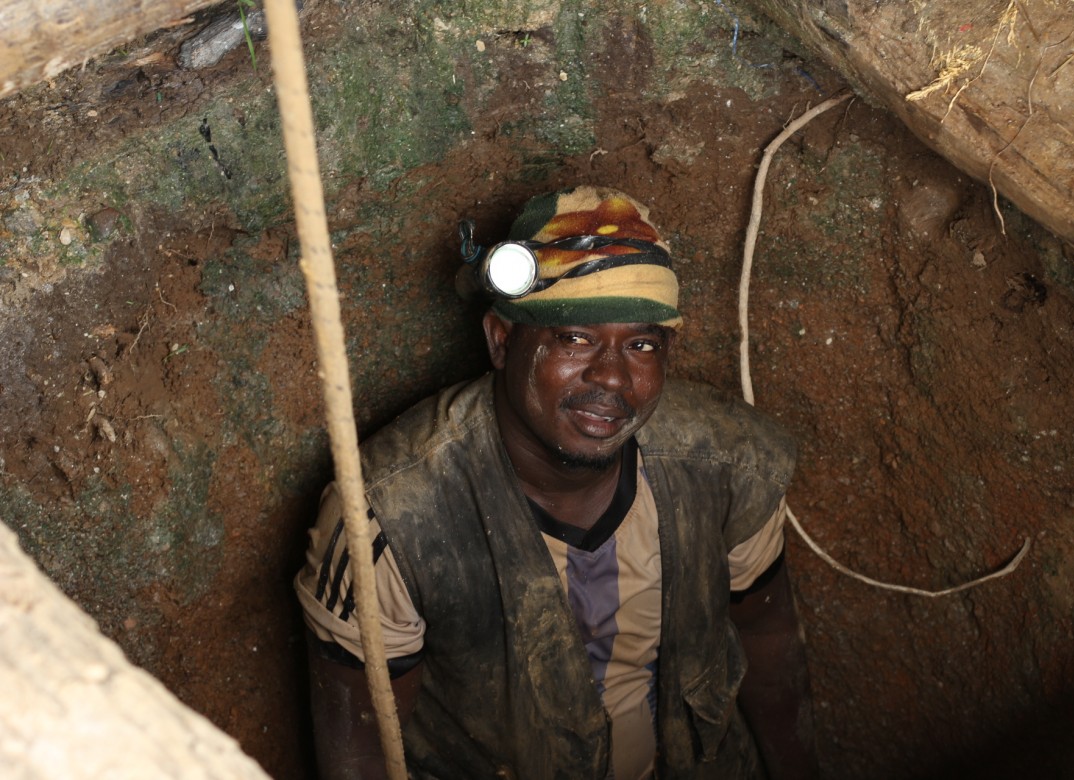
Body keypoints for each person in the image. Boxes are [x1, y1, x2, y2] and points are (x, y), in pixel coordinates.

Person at [294, 185, 816, 780]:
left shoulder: (728, 463)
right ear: (501, 340)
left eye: (641, 344)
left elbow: (768, 638)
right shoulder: (392, 519)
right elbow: (361, 746)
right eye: (574, 339)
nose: (612, 377)